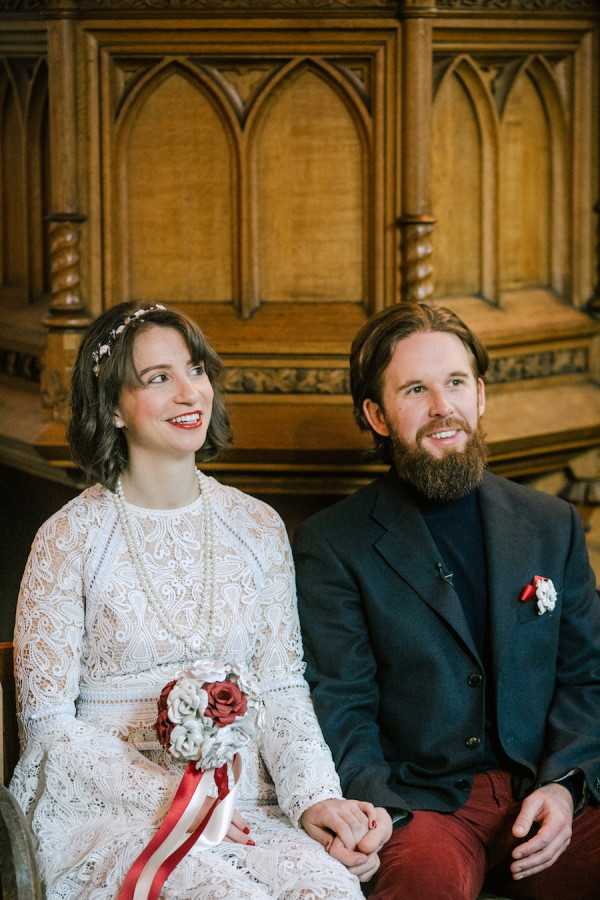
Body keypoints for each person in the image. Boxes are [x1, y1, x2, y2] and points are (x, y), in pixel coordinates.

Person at [10, 301, 391, 900]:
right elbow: (47, 722)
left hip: (247, 800)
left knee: (325, 889)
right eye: (158, 378)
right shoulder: (69, 538)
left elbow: (283, 686)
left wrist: (316, 797)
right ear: (112, 406)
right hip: (112, 813)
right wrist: (179, 803)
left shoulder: (257, 527)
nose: (190, 393)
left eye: (195, 370)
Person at [293, 302, 600, 900]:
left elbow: (587, 676)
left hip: (544, 792)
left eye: (455, 383)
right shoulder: (334, 543)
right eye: (416, 389)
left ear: (480, 395)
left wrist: (566, 785)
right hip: (420, 808)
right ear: (377, 415)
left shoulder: (551, 523)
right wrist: (381, 810)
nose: (442, 408)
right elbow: (340, 702)